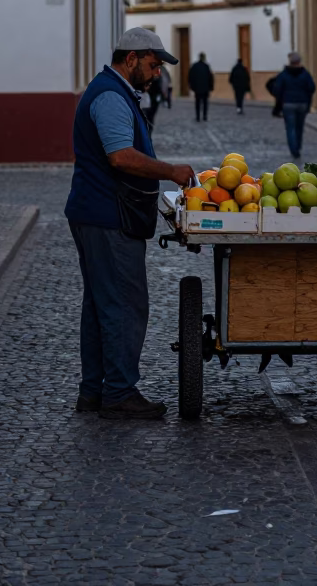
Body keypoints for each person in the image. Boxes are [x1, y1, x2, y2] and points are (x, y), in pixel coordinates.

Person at [65, 28, 195, 420]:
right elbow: (120, 157)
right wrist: (170, 171)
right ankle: (118, 392)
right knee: (124, 304)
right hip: (108, 216)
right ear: (132, 58)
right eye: (154, 65)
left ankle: (93, 392)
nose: (157, 73)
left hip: (99, 213)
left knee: (100, 304)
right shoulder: (109, 96)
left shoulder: (115, 91)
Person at [273, 52, 315, 159]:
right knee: (299, 127)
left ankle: (294, 149)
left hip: (288, 103)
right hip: (302, 103)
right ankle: (298, 147)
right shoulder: (305, 74)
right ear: (299, 61)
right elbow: (311, 87)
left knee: (290, 128)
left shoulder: (284, 74)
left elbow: (277, 89)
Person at [188, 52, 214, 121]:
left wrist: (192, 86)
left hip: (197, 88)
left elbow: (190, 77)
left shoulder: (195, 66)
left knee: (198, 103)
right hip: (205, 88)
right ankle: (204, 116)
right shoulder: (206, 66)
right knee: (205, 103)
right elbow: (210, 77)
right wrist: (211, 87)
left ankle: (198, 116)